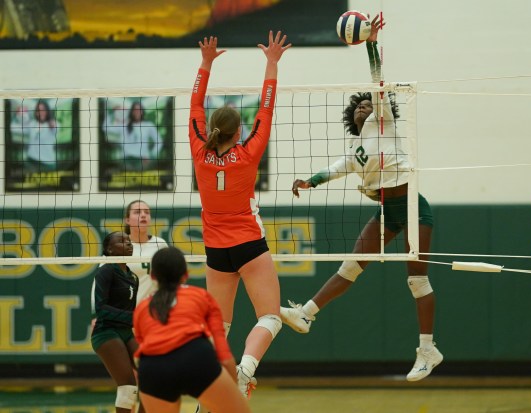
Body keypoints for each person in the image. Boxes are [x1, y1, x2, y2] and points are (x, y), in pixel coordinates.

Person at [280, 15, 443, 382]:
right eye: (358, 107)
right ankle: (305, 314)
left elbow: (377, 81)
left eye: (368, 105)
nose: (363, 108)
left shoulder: (382, 122)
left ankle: (427, 349)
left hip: (415, 208)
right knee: (350, 266)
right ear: (349, 116)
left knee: (417, 281)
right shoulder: (355, 151)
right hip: (389, 211)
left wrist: (370, 41)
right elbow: (332, 171)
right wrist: (309, 182)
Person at [188, 32, 291, 397]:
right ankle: (245, 370)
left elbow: (195, 105)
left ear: (213, 128)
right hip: (248, 242)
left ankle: (211, 390)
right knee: (270, 316)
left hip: (216, 251)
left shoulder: (200, 150)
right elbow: (267, 107)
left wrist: (206, 63)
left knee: (219, 326)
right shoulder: (248, 154)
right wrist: (272, 62)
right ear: (239, 131)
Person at [133, 247, 250, 413]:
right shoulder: (201, 296)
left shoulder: (141, 309)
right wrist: (233, 389)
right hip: (195, 358)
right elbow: (224, 355)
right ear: (185, 274)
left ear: (152, 276)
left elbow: (140, 353)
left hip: (153, 368)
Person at [90, 231, 144, 413]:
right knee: (128, 386)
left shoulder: (133, 277)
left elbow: (132, 312)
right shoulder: (105, 271)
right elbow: (101, 309)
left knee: (152, 378)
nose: (128, 243)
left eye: (129, 240)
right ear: (109, 249)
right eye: (121, 241)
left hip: (126, 332)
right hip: (106, 332)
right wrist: (133, 318)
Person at [123, 199, 169, 303]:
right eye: (137, 212)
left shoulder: (160, 244)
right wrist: (96, 314)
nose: (143, 215)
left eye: (147, 212)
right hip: (125, 311)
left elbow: (170, 278)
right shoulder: (119, 246)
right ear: (127, 220)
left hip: (154, 310)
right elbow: (101, 281)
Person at [105, 101, 163, 171]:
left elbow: (159, 141)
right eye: (135, 110)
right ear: (132, 112)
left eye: (139, 110)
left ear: (142, 112)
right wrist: (111, 112)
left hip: (142, 161)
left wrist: (152, 155)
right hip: (126, 161)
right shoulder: (124, 125)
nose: (137, 112)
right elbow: (106, 127)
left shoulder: (148, 125)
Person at [10, 99, 59, 172]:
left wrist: (52, 123)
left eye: (43, 110)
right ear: (36, 113)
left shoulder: (54, 124)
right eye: (38, 110)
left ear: (47, 111)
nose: (41, 112)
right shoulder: (32, 124)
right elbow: (14, 127)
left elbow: (54, 127)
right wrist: (18, 114)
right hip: (31, 162)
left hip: (47, 165)